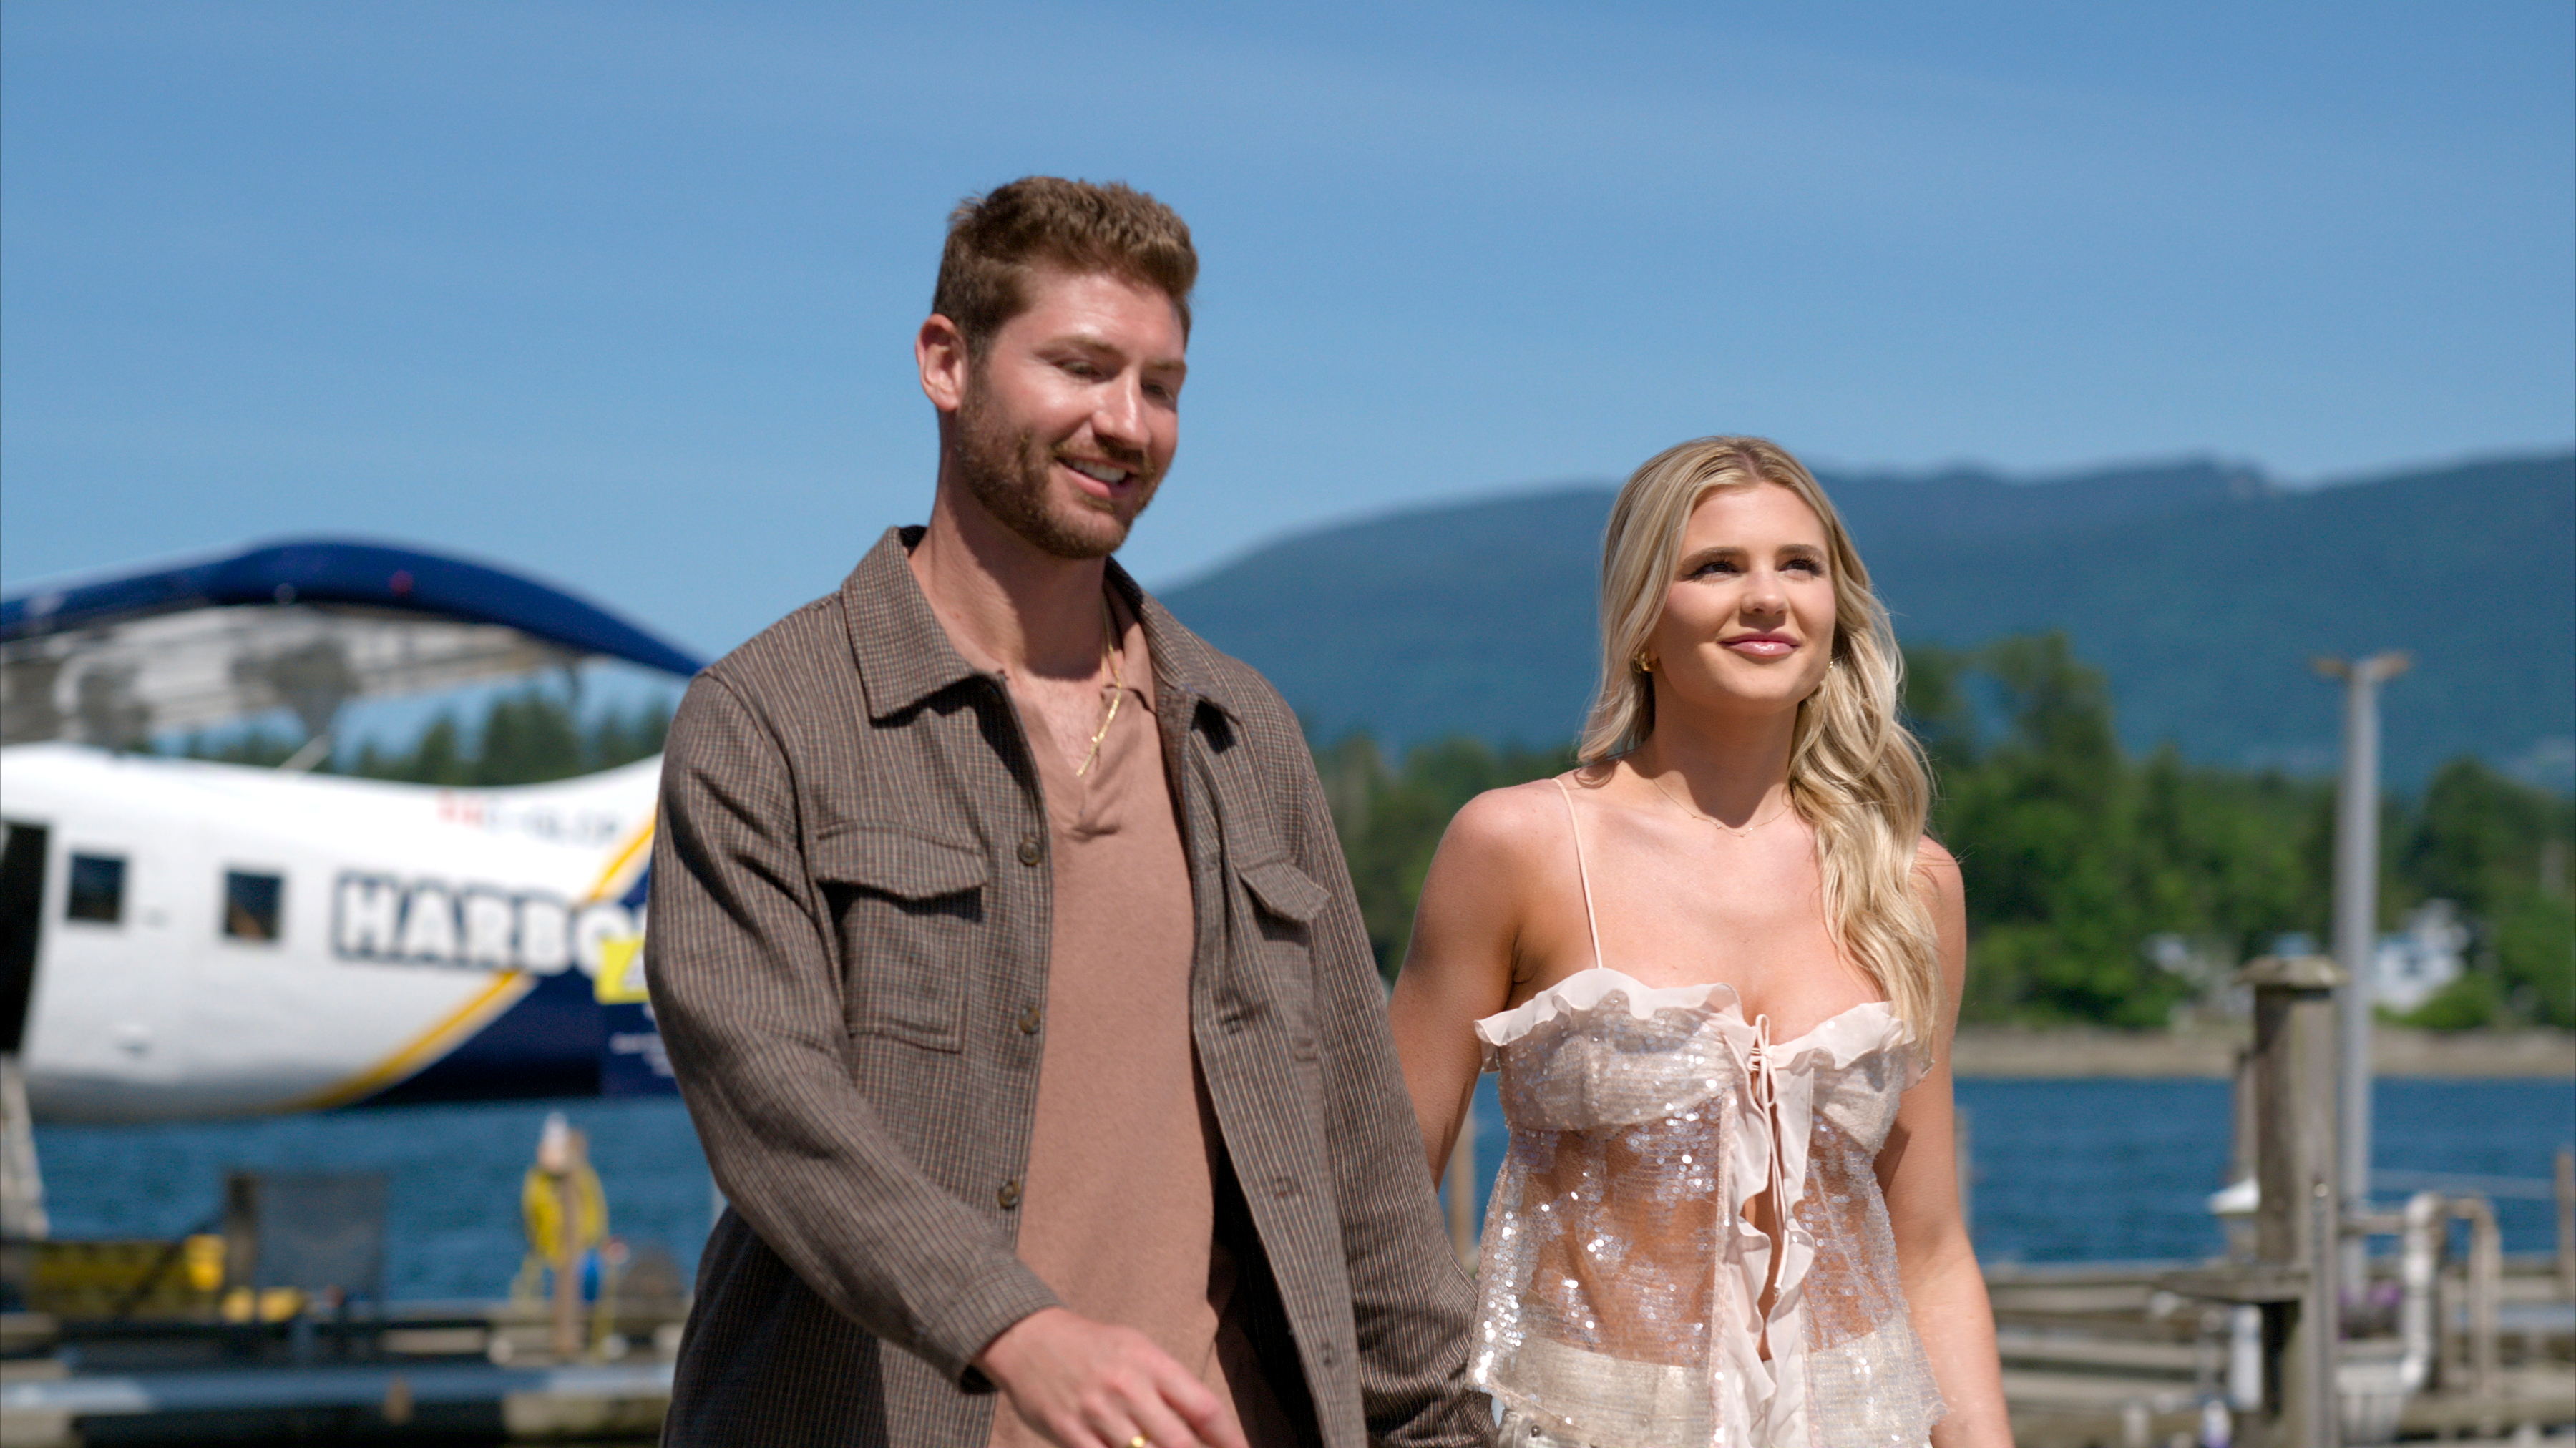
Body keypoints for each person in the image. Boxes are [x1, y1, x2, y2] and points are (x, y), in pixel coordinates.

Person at [646, 177, 1486, 1448]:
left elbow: (1360, 1162)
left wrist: (1439, 1427)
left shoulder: (1240, 730)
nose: (1126, 423)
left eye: (1162, 385)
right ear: (947, 361)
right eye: (1082, 367)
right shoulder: (770, 719)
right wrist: (1014, 1328)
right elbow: (767, 1100)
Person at [1386, 437, 2011, 1448]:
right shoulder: (1520, 845)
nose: (1766, 598)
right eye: (1716, 566)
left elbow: (1931, 1248)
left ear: (1836, 610)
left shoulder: (1912, 882)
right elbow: (1381, 1205)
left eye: (1798, 566)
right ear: (1642, 618)